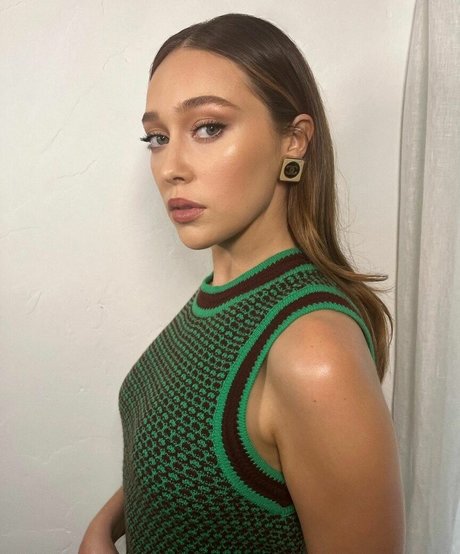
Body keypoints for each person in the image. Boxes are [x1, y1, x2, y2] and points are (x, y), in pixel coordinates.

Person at [79, 12, 405, 554]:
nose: (171, 167)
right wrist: (104, 526)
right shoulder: (224, 297)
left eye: (208, 128)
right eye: (157, 137)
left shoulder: (313, 349)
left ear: (293, 140)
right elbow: (187, 452)